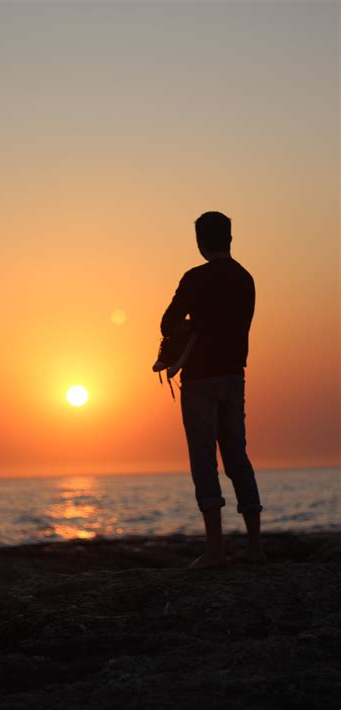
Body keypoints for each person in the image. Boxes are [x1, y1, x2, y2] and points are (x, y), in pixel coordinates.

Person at [160, 211, 265, 568]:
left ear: (200, 242)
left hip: (200, 379)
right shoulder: (245, 279)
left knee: (204, 460)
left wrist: (190, 327)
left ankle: (216, 550)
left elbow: (167, 322)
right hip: (235, 376)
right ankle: (255, 548)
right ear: (230, 239)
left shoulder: (195, 278)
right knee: (238, 458)